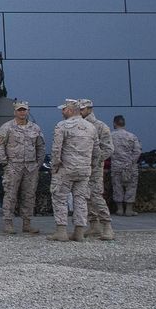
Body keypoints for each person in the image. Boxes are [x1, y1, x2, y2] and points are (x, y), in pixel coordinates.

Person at [48, 99, 96, 242]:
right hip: (84, 170)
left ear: (69, 110)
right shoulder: (90, 127)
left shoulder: (62, 126)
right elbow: (96, 150)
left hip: (66, 169)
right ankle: (79, 232)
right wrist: (90, 165)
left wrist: (55, 166)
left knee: (60, 198)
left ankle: (61, 231)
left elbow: (56, 149)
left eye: (63, 109)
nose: (62, 112)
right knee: (81, 200)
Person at [0, 100, 44, 234]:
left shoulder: (35, 128)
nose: (22, 112)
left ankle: (27, 224)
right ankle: (8, 224)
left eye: (24, 110)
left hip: (30, 168)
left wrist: (38, 164)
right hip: (13, 166)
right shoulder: (7, 127)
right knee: (10, 195)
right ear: (15, 112)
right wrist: (4, 162)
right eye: (20, 110)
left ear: (28, 111)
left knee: (29, 195)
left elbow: (40, 147)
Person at [77, 99, 114, 241]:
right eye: (78, 109)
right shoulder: (77, 125)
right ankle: (94, 225)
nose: (80, 112)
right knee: (85, 196)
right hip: (80, 167)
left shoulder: (100, 127)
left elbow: (108, 149)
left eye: (82, 109)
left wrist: (94, 161)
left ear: (89, 109)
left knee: (96, 196)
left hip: (94, 169)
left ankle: (107, 225)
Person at [110, 115, 142, 216]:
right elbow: (137, 151)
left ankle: (119, 209)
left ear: (115, 123)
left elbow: (107, 150)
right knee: (131, 187)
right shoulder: (132, 136)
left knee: (117, 187)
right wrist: (131, 161)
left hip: (116, 166)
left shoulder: (111, 136)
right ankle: (129, 210)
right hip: (130, 166)